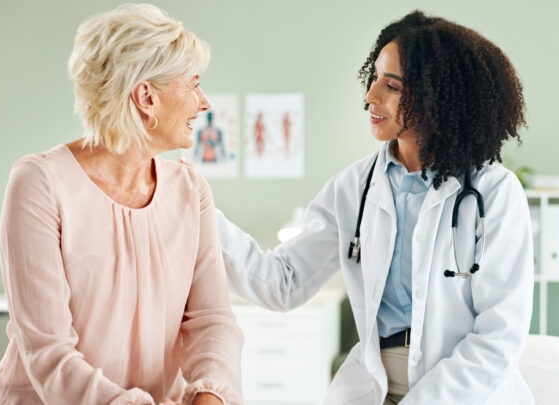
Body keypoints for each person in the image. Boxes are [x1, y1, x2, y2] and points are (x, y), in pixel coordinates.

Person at [214, 10, 533, 405]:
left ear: (437, 98)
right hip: (375, 383)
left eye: (392, 85)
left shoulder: (494, 192)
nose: (371, 95)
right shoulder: (355, 187)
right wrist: (197, 210)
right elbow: (284, 282)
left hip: (462, 389)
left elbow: (498, 336)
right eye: (375, 77)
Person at [0, 4, 242, 405]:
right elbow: (50, 355)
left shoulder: (191, 191)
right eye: (193, 84)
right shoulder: (39, 183)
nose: (203, 102)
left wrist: (211, 397)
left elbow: (212, 322)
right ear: (146, 97)